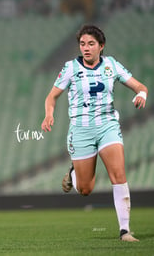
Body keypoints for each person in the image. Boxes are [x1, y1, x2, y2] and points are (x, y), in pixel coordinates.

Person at [41, 25, 147, 242]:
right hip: (81, 130)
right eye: (82, 44)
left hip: (108, 126)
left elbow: (140, 86)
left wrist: (142, 95)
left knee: (118, 175)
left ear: (101, 46)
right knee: (86, 189)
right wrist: (48, 115)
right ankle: (74, 175)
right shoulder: (70, 68)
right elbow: (51, 97)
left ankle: (125, 230)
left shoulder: (112, 65)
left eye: (91, 44)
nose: (86, 48)